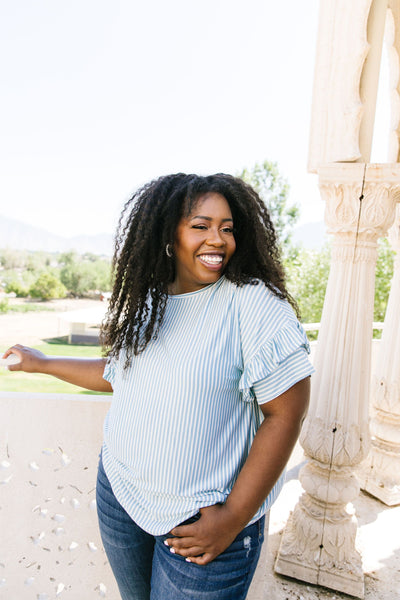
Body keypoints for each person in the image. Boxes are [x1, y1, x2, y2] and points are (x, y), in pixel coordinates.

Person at [4, 173, 314, 600]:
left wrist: (232, 519)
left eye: (227, 227)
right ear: (170, 233)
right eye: (200, 225)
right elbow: (121, 374)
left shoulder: (254, 305)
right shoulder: (150, 298)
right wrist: (41, 364)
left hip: (201, 522)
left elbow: (286, 414)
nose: (218, 239)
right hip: (122, 496)